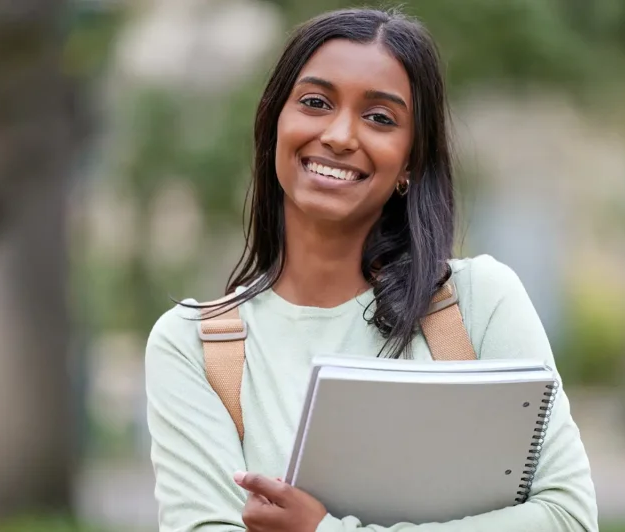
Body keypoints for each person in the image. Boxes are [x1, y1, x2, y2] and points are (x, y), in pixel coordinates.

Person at [144, 7, 598, 532]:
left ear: (410, 160)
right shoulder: (194, 349)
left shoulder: (479, 304)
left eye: (380, 118)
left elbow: (567, 517)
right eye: (315, 103)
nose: (339, 135)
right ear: (274, 124)